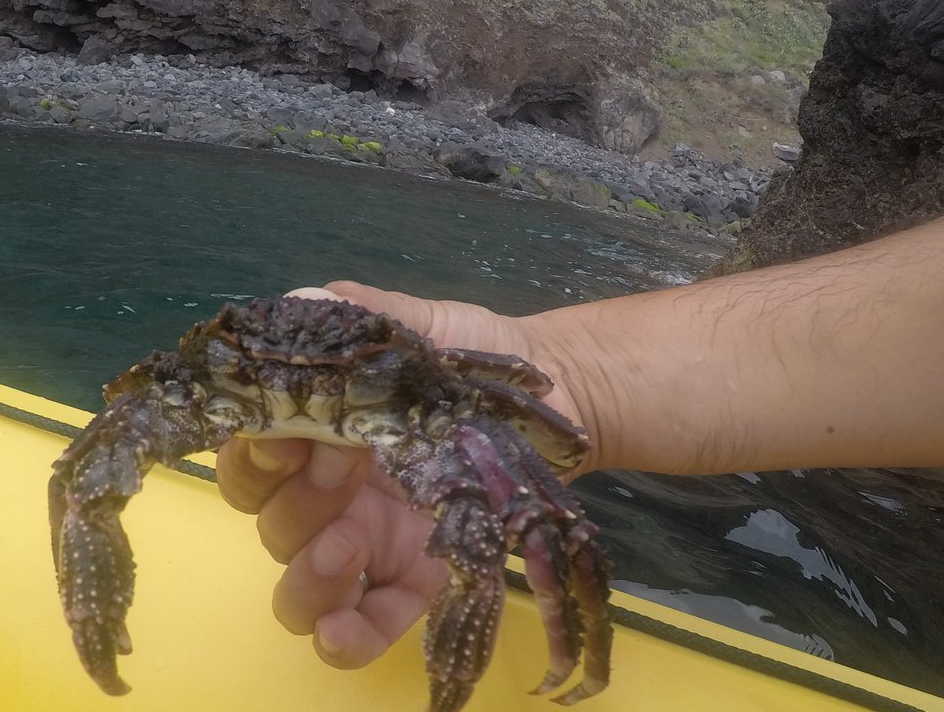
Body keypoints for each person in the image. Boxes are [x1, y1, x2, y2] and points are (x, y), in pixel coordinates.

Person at [214, 215, 944, 674]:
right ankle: (572, 656)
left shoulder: (446, 381)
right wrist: (572, 372)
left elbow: (515, 386)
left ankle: (570, 653)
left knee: (542, 515)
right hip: (400, 418)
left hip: (419, 412)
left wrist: (563, 381)